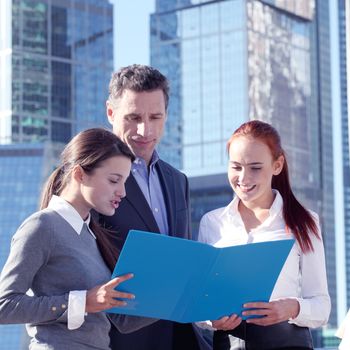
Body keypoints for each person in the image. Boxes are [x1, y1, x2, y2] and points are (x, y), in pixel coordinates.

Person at [0, 128, 157, 350]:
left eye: (125, 182)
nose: (122, 192)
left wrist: (178, 299)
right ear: (79, 174)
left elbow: (120, 319)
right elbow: (4, 306)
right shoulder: (42, 226)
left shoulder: (91, 234)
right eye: (114, 180)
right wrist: (82, 302)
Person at [101, 64, 210, 350]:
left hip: (180, 339)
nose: (144, 130)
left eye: (155, 117)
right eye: (133, 117)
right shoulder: (90, 178)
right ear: (111, 113)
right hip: (121, 341)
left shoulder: (178, 181)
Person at [198, 120, 331, 350]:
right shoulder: (212, 222)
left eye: (255, 168)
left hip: (287, 344)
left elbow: (322, 306)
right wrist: (212, 319)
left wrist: (291, 308)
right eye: (236, 166)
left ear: (277, 165)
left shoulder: (304, 222)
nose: (244, 178)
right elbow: (199, 302)